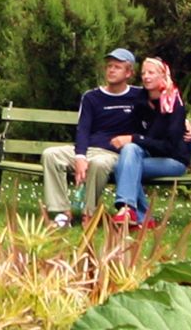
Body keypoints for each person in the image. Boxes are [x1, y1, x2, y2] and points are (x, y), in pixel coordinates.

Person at [40, 48, 145, 229]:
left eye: (117, 67)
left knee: (98, 163)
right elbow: (83, 130)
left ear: (129, 73)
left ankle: (89, 214)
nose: (111, 70)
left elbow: (165, 111)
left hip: (113, 154)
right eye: (109, 66)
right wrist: (80, 156)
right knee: (50, 154)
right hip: (87, 149)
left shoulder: (139, 96)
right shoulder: (91, 97)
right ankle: (62, 213)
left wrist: (186, 123)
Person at [109, 57, 191, 227]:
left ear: (163, 75)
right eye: (144, 73)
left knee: (124, 166)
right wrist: (135, 140)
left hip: (173, 160)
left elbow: (169, 146)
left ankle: (140, 215)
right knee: (130, 151)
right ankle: (129, 210)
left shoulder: (174, 104)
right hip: (146, 154)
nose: (146, 77)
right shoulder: (140, 99)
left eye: (151, 73)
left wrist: (136, 138)